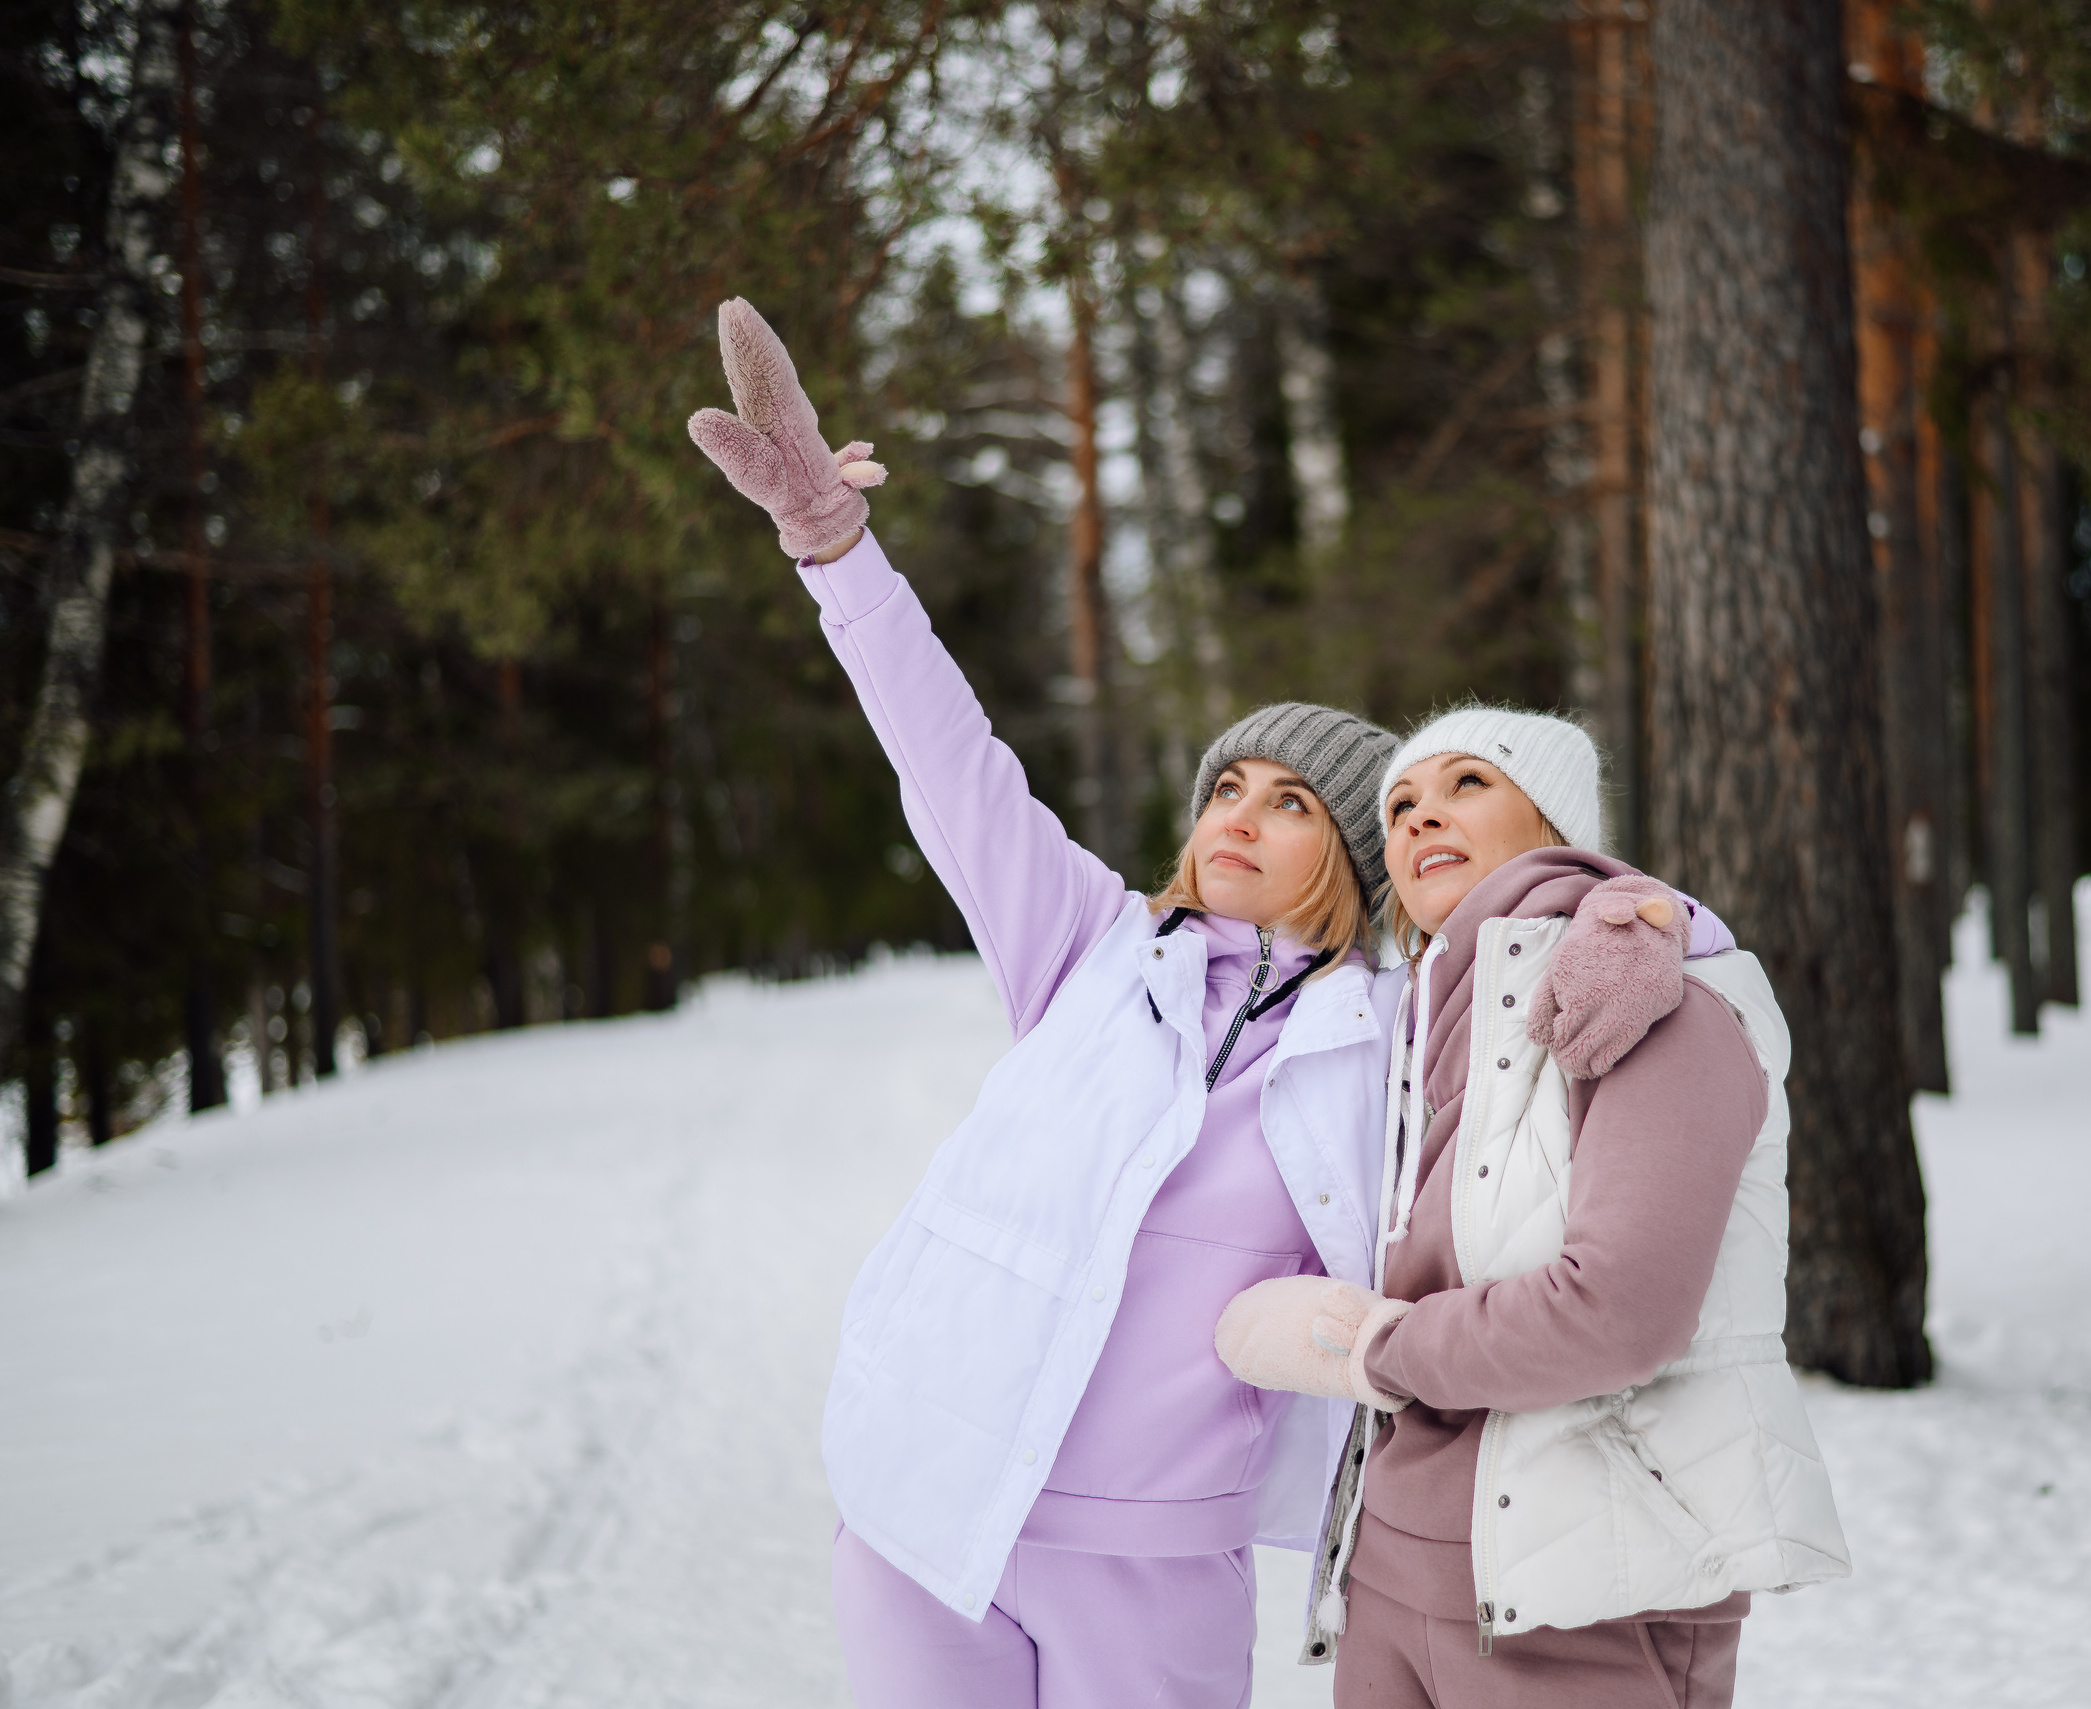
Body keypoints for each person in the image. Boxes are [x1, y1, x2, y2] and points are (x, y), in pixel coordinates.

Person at [685, 300, 1701, 1708]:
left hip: (1160, 1558)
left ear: (1352, 860)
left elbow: (1565, 915)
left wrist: (1640, 922)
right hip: (929, 1503)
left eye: (1290, 805)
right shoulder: (1090, 948)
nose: (1240, 816)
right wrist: (835, 551)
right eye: (1229, 785)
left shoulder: (1401, 1033)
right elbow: (948, 758)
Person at [1216, 707, 1850, 1708]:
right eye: (1401, 804)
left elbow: (1617, 1312)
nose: (1422, 816)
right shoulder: (1410, 1020)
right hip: (1388, 1580)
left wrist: (1367, 1348)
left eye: (1468, 784)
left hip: (1583, 1590)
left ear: (1554, 820)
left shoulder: (1654, 999)